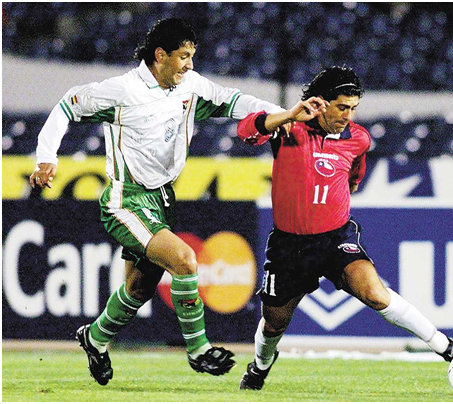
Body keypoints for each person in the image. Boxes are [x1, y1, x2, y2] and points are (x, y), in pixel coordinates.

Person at [29, 18, 284, 385]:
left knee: (139, 289)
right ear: (160, 55)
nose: (189, 65)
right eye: (183, 56)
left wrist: (284, 115)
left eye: (192, 56)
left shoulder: (190, 86)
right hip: (126, 200)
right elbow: (68, 105)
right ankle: (198, 350)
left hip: (162, 198)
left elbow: (236, 101)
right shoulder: (122, 90)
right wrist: (46, 157)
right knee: (184, 259)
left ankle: (95, 339)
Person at [236, 66, 453, 391]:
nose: (348, 115)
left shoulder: (358, 139)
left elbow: (353, 178)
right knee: (274, 322)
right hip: (290, 246)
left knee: (375, 294)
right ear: (321, 103)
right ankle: (260, 367)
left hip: (336, 238)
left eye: (353, 108)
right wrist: (289, 114)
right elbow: (245, 130)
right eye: (342, 107)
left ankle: (448, 348)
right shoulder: (290, 127)